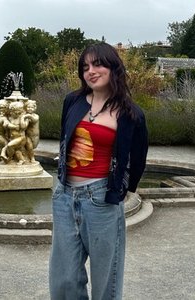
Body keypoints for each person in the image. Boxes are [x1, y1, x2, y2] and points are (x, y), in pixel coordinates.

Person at [49, 42, 148, 300]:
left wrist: (121, 189)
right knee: (64, 280)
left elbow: (137, 158)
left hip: (101, 200)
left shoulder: (130, 114)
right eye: (85, 67)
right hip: (64, 196)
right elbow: (64, 139)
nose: (91, 71)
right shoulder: (73, 101)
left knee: (106, 281)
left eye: (98, 64)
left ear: (113, 68)